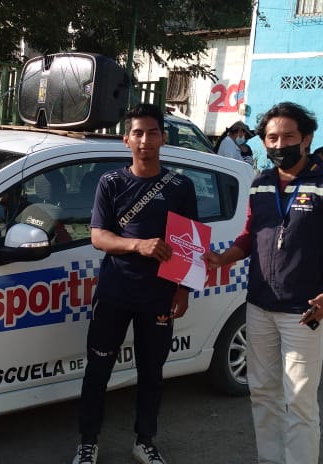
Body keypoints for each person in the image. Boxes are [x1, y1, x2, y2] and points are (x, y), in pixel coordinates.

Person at [203, 102, 323, 464]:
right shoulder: (260, 183)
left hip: (303, 311)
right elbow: (250, 235)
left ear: (306, 139)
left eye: (288, 136)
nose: (279, 144)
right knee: (262, 391)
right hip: (259, 305)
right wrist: (223, 258)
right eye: (271, 138)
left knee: (299, 400)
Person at [72, 103, 198, 464]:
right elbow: (98, 236)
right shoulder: (111, 183)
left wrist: (183, 290)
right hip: (115, 292)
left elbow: (190, 243)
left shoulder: (180, 186)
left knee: (152, 373)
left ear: (163, 138)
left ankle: (145, 441)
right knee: (98, 371)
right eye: (138, 133)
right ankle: (88, 442)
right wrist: (138, 245)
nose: (145, 140)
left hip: (159, 296)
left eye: (152, 132)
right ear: (126, 139)